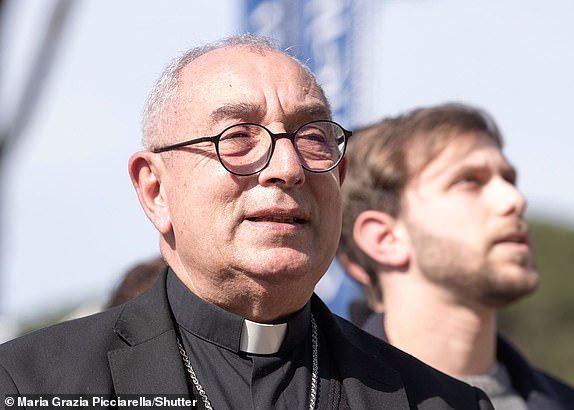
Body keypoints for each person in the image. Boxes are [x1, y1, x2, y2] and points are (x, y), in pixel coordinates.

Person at [0, 35, 493, 409]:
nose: (287, 167)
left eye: (313, 136)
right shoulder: (30, 385)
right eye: (237, 137)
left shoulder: (437, 401)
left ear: (340, 178)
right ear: (154, 189)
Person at [338, 102, 574, 409]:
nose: (514, 199)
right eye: (468, 181)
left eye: (509, 179)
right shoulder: (315, 398)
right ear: (385, 238)